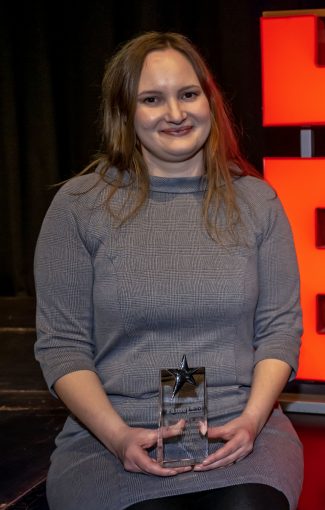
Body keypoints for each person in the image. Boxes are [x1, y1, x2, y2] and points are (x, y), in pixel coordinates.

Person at [34, 32, 303, 510]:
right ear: (125, 113)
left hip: (241, 434)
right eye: (152, 99)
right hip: (111, 439)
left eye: (188, 94)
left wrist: (252, 421)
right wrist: (119, 437)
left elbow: (279, 329)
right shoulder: (78, 207)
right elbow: (62, 346)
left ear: (209, 100)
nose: (175, 114)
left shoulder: (258, 202)